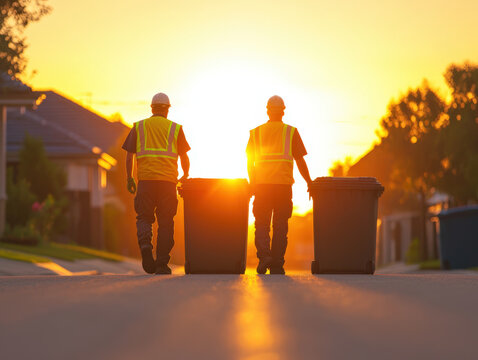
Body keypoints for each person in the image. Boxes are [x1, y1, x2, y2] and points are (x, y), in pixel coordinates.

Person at [122, 92, 190, 274]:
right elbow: (184, 157)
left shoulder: (139, 127)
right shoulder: (175, 128)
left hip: (146, 182)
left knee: (144, 217)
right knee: (166, 222)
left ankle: (145, 245)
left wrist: (130, 177)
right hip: (168, 183)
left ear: (152, 108)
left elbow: (129, 156)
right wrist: (186, 174)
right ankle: (161, 263)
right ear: (167, 110)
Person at [246, 95, 312, 274]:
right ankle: (276, 265)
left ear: (267, 111)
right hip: (283, 186)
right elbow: (300, 161)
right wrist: (309, 182)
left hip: (262, 186)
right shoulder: (291, 132)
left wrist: (253, 182)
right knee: (281, 225)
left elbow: (249, 162)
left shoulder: (256, 132)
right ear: (283, 111)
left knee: (261, 224)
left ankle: (264, 257)